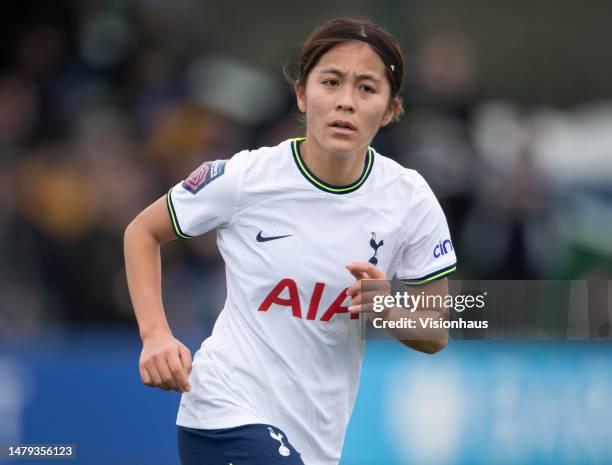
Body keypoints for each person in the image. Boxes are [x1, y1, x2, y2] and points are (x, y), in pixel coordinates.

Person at [124, 17, 457, 465]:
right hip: (224, 411)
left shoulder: (410, 199)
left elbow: (436, 329)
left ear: (392, 108)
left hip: (315, 441)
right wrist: (156, 335)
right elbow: (142, 231)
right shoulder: (246, 177)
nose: (345, 102)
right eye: (331, 82)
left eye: (366, 88)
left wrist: (387, 308)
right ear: (302, 94)